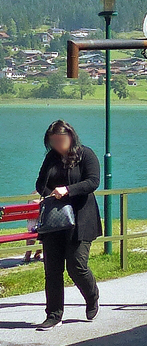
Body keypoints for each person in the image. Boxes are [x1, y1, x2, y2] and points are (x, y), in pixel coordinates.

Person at [34, 119, 101, 330]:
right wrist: (51, 194)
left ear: (70, 137)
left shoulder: (86, 154)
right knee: (52, 269)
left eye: (60, 140)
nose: (57, 145)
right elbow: (40, 183)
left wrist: (68, 190)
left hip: (81, 218)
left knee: (76, 266)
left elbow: (93, 182)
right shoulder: (51, 158)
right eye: (53, 141)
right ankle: (54, 315)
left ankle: (92, 296)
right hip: (55, 220)